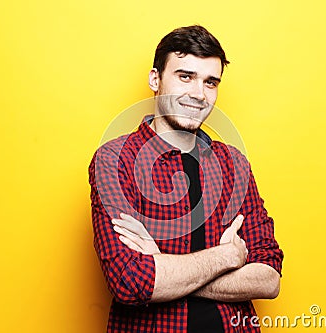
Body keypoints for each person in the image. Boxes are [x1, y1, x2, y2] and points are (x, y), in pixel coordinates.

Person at [89, 25, 284, 333]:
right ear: (155, 79)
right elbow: (130, 282)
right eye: (185, 76)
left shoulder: (234, 164)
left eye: (210, 82)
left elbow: (269, 277)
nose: (198, 94)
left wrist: (163, 266)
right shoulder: (114, 160)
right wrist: (227, 256)